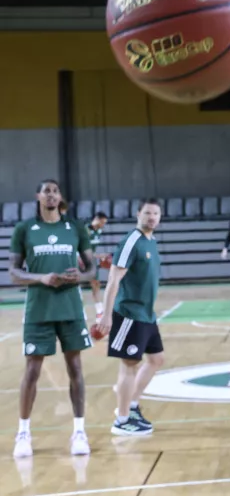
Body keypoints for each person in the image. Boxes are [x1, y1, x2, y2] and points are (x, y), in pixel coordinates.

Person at [10, 179, 96, 457]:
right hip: (38, 308)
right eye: (46, 191)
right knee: (32, 371)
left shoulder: (75, 228)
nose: (50, 195)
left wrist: (79, 276)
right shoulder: (24, 230)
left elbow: (92, 269)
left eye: (55, 191)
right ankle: (23, 433)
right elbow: (13, 272)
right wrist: (41, 277)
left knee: (75, 369)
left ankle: (79, 432)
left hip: (70, 307)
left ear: (60, 197)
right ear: (38, 196)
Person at [96, 198, 165, 436]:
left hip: (146, 314)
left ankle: (132, 405)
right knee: (129, 366)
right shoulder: (131, 241)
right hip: (129, 314)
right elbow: (113, 280)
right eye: (148, 213)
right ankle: (122, 420)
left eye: (156, 214)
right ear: (138, 214)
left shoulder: (151, 241)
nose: (152, 217)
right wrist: (106, 315)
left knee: (156, 360)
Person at [81, 211, 110, 322]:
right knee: (74, 286)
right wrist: (100, 256)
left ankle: (99, 311)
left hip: (91, 260)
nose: (103, 225)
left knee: (96, 284)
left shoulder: (99, 231)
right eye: (102, 222)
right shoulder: (84, 230)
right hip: (79, 259)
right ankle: (79, 312)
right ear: (97, 219)